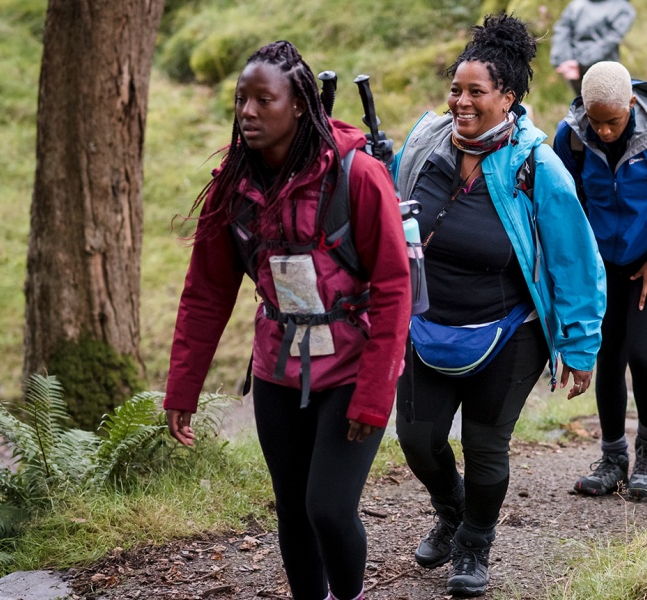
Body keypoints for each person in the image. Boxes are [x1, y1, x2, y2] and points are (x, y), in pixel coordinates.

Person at [163, 41, 411, 600]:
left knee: (327, 507)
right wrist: (183, 389)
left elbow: (396, 288)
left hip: (350, 370)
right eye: (240, 99)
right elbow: (205, 293)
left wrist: (375, 396)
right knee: (294, 511)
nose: (247, 112)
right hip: (277, 372)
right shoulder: (233, 186)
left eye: (262, 99)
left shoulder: (358, 176)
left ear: (299, 103)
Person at [392, 13, 606, 598]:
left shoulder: (538, 167)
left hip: (510, 331)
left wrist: (580, 347)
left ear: (508, 97)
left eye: (476, 92)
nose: (461, 101)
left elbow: (577, 262)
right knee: (417, 439)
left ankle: (474, 547)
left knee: (487, 446)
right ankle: (451, 510)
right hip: (426, 325)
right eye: (455, 89)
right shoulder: (421, 144)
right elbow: (384, 212)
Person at [554, 61, 647, 499]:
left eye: (612, 121)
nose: (602, 131)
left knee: (642, 352)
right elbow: (565, 198)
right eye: (595, 121)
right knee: (610, 355)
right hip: (602, 263)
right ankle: (613, 458)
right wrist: (581, 263)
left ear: (631, 104)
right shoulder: (571, 136)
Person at [549, 0, 636, 97]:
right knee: (582, 104)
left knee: (605, 105)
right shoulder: (576, 5)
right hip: (574, 70)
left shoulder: (622, 8)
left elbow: (611, 39)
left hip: (604, 71)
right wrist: (565, 60)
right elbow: (562, 31)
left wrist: (579, 62)